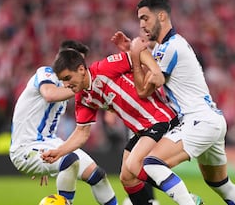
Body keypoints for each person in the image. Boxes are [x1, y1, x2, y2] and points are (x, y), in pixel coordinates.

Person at [114, 0, 235, 205]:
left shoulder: (171, 48)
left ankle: (189, 201)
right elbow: (150, 72)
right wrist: (135, 53)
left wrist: (135, 56)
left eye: (145, 18)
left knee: (151, 163)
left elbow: (143, 90)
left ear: (161, 16)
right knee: (221, 184)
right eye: (139, 19)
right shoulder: (165, 47)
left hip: (197, 120)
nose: (141, 25)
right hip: (211, 120)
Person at [41, 44, 184, 205]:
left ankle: (188, 199)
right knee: (127, 177)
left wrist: (156, 71)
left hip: (159, 118)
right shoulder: (82, 98)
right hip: (143, 130)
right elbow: (82, 133)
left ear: (81, 69)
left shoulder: (104, 67)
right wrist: (59, 152)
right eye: (62, 81)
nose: (66, 85)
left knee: (133, 164)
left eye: (67, 78)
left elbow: (138, 53)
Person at [9, 40, 117, 205]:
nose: (81, 70)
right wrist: (81, 86)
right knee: (70, 160)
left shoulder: (69, 86)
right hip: (24, 147)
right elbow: (49, 94)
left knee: (98, 176)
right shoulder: (45, 73)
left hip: (48, 143)